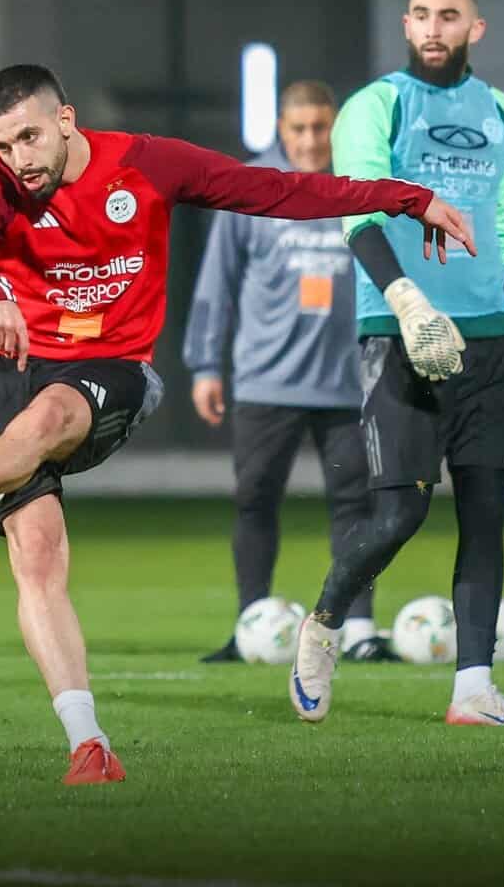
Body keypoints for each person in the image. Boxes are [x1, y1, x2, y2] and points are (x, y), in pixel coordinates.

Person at [0, 63, 472, 785]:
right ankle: (89, 745)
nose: (18, 159)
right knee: (38, 557)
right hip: (11, 363)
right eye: (2, 144)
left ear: (65, 120)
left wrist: (407, 197)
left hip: (108, 366)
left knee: (50, 418)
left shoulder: (145, 164)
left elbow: (279, 191)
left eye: (29, 137)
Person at [290, 0, 504, 727]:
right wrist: (407, 302)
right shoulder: (375, 105)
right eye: (421, 15)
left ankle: (472, 688)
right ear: (407, 26)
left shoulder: (500, 113)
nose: (433, 27)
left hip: (490, 336)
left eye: (449, 16)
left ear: (475, 29)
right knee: (399, 515)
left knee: (485, 509)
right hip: (398, 329)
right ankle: (324, 624)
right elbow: (358, 211)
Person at [183, 79, 395, 663]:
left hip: (348, 381)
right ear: (281, 129)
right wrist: (205, 364)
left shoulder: (358, 184)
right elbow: (217, 282)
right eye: (299, 128)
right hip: (265, 380)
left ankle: (358, 630)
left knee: (357, 507)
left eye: (320, 127)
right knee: (255, 501)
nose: (310, 139)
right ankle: (251, 623)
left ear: (335, 127)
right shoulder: (249, 188)